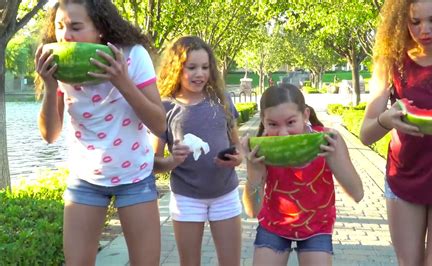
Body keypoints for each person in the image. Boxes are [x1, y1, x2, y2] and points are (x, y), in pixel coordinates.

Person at [34, 0, 166, 265]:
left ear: (100, 29)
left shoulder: (132, 55)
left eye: (76, 27)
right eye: (60, 27)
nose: (65, 36)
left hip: (135, 176)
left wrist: (123, 81)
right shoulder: (60, 65)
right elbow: (50, 135)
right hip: (85, 179)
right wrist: (50, 87)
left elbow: (160, 125)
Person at [359, 0, 432, 265]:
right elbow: (366, 133)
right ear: (402, 21)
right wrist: (386, 120)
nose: (425, 29)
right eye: (415, 22)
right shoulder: (391, 61)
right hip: (405, 177)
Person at [242, 84, 364, 265]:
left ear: (305, 115)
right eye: (273, 124)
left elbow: (358, 194)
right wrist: (254, 173)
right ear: (262, 120)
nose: (283, 134)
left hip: (317, 226)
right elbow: (252, 211)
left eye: (291, 122)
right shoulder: (260, 148)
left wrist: (333, 159)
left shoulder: (328, 140)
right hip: (273, 223)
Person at [153, 35, 243, 266]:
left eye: (204, 67)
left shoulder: (222, 100)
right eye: (191, 67)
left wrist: (237, 158)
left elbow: (238, 145)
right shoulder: (165, 106)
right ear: (176, 68)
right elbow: (153, 162)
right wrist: (172, 161)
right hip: (187, 198)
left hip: (225, 194)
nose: (199, 74)